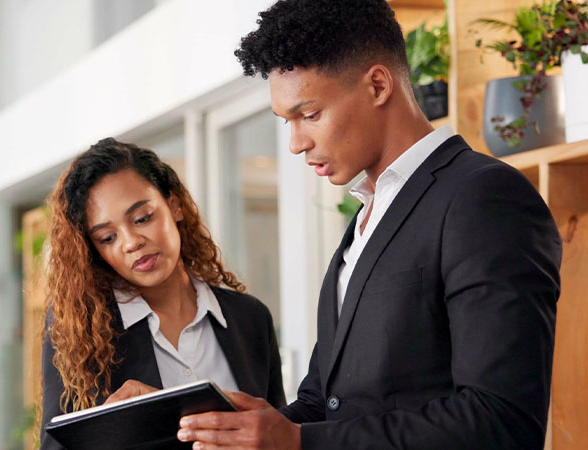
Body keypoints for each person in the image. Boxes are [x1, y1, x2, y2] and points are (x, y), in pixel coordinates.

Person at [175, 0, 563, 449]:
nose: (297, 143)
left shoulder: (484, 197)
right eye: (288, 122)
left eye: (310, 114)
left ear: (378, 85)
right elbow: (325, 403)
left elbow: (502, 420)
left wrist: (300, 442)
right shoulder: (366, 215)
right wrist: (228, 426)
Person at [39, 138, 285, 449]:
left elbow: (279, 434)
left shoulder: (250, 318)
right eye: (107, 237)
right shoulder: (79, 331)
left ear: (174, 205)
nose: (131, 242)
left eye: (142, 218)